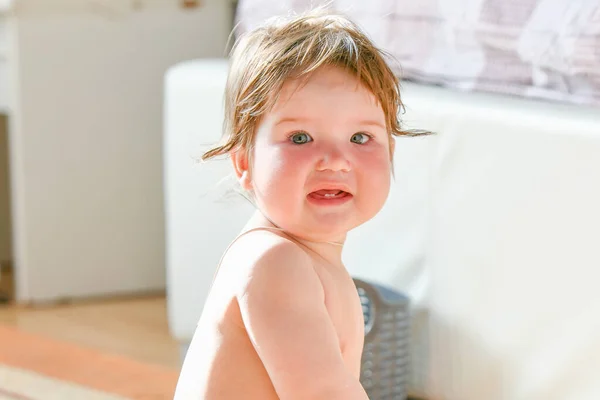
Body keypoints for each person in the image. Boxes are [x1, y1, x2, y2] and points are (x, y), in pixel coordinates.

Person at [174, 8, 417, 400]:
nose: (336, 160)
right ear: (244, 163)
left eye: (359, 138)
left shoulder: (303, 259)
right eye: (301, 138)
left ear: (390, 152)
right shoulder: (273, 262)